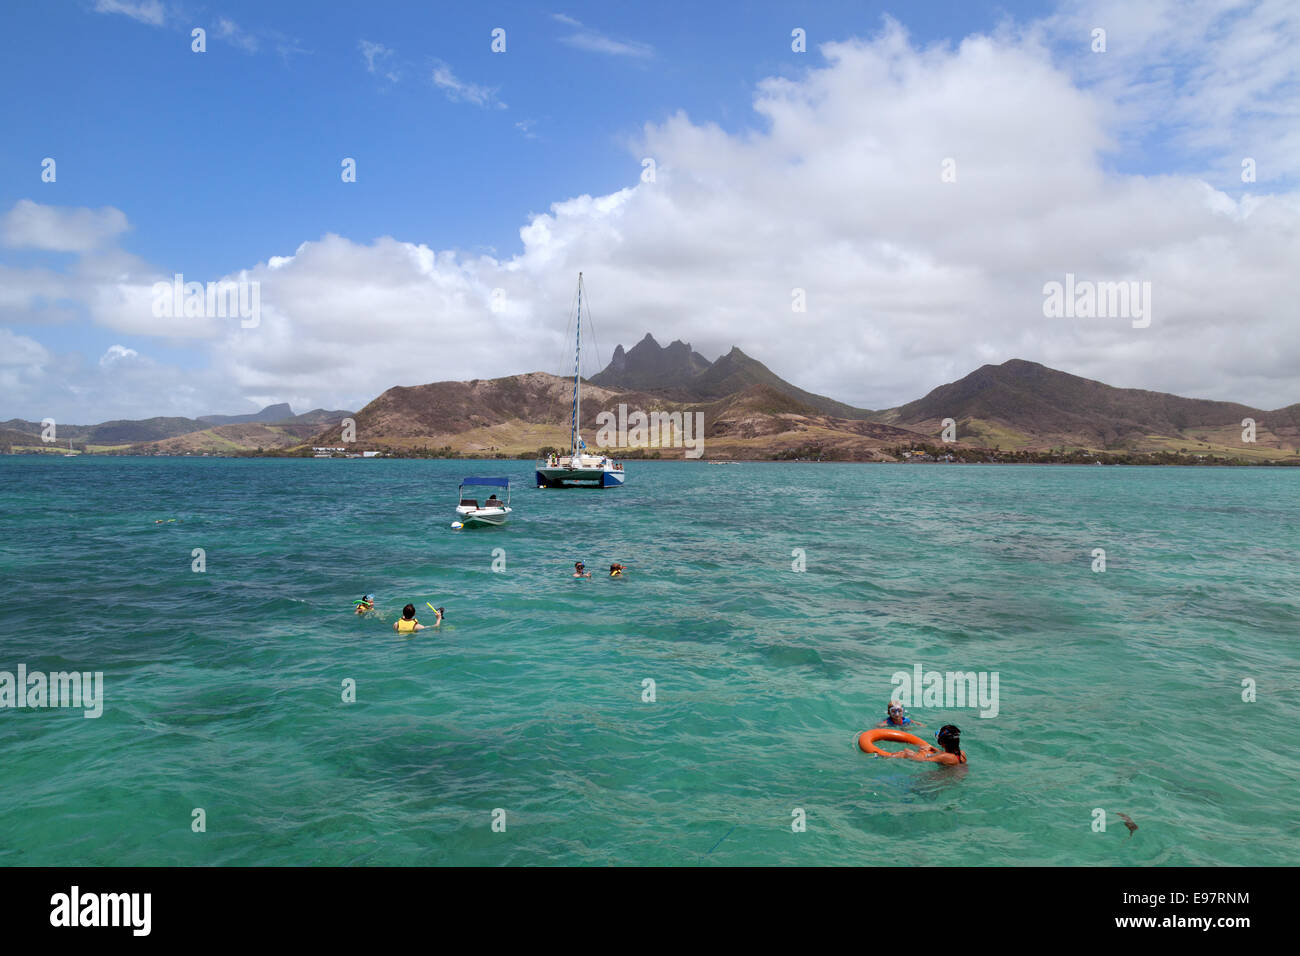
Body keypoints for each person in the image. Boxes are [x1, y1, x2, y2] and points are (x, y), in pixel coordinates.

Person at [899, 724, 967, 765]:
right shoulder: (961, 753)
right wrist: (934, 749)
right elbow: (948, 755)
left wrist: (907, 753)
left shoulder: (944, 757)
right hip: (953, 778)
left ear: (942, 743)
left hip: (942, 781)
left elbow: (921, 760)